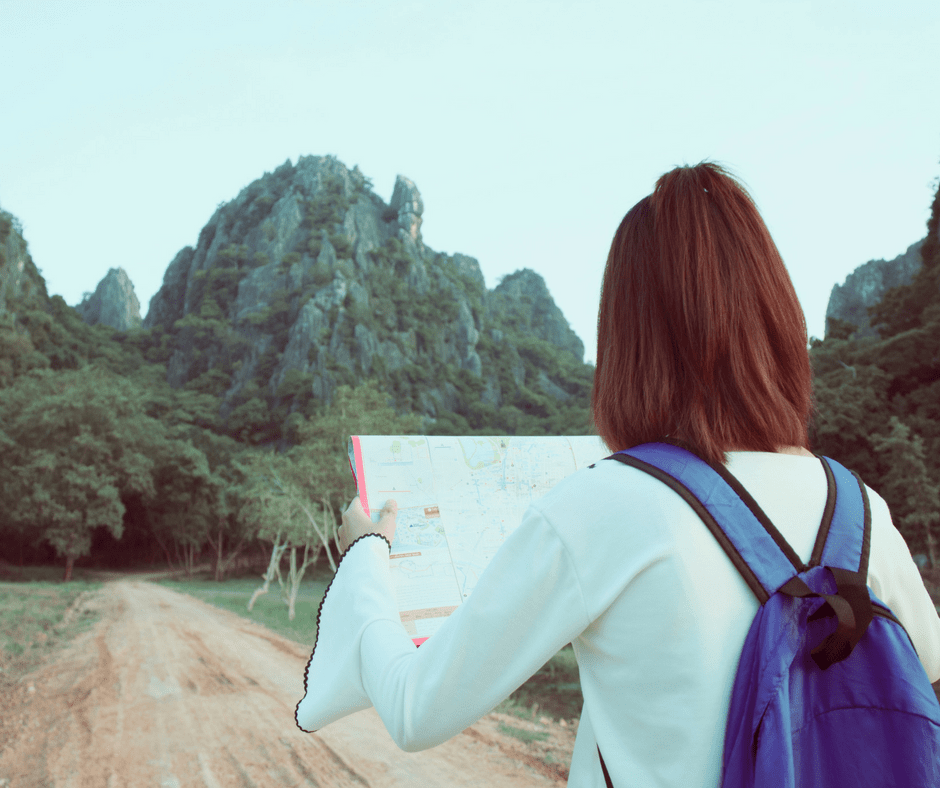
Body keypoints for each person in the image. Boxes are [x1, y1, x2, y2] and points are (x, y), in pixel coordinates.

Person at [295, 162, 940, 787]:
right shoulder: (861, 508)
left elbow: (416, 708)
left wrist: (365, 556)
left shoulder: (602, 505)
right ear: (775, 321)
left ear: (627, 338)